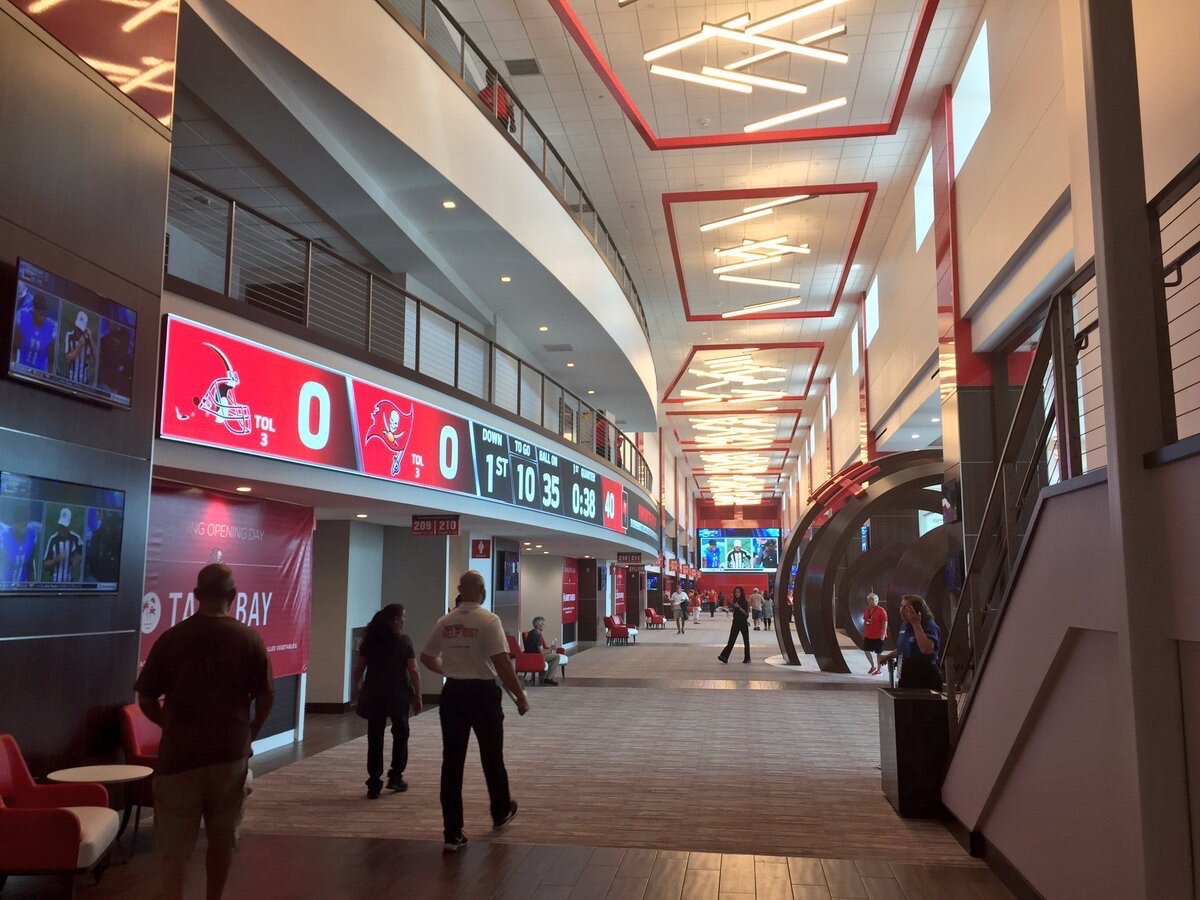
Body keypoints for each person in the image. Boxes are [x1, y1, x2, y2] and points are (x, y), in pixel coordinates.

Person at [134, 563, 274, 900]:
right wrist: (249, 732)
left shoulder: (172, 638)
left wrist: (170, 726)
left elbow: (146, 697)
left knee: (175, 846)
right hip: (229, 756)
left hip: (179, 758)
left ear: (196, 595)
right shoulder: (248, 638)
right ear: (233, 596)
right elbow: (267, 695)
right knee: (222, 839)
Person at [420, 570, 529, 852]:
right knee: (491, 756)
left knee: (452, 762)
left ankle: (452, 832)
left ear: (460, 589)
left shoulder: (445, 621)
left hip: (453, 694)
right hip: (482, 695)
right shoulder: (489, 620)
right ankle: (500, 810)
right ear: (481, 590)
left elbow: (426, 656)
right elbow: (502, 663)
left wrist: (449, 670)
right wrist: (520, 696)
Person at [352, 603, 422, 799]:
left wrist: (356, 688)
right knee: (401, 735)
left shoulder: (370, 641)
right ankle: (396, 776)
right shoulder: (404, 641)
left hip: (374, 694)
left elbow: (359, 668)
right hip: (398, 695)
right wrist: (418, 695)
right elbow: (413, 670)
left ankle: (374, 783)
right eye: (402, 617)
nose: (404, 621)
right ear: (395, 620)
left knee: (375, 738)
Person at [879, 594, 942, 689]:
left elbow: (927, 649)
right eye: (901, 606)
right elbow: (903, 647)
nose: (901, 610)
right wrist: (888, 656)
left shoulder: (927, 625)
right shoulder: (905, 625)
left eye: (906, 607)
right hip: (906, 670)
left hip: (923, 673)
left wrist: (916, 625)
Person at [11, 292, 57, 373]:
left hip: (39, 376)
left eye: (44, 309)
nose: (41, 312)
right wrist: (13, 368)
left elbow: (51, 360)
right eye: (39, 308)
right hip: (19, 370)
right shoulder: (22, 317)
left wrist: (47, 378)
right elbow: (13, 348)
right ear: (34, 309)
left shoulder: (52, 327)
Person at [42, 507, 83, 583]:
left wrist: (77, 559)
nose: (62, 529)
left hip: (70, 583)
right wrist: (56, 559)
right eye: (61, 526)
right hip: (54, 583)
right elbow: (45, 564)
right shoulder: (53, 539)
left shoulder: (76, 538)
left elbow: (82, 554)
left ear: (69, 526)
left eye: (64, 527)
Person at [718, 586, 752, 664]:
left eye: (738, 592)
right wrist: (728, 609)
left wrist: (739, 607)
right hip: (736, 622)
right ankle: (724, 656)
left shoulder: (745, 602)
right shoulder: (734, 600)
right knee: (731, 640)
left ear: (741, 593)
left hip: (743, 623)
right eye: (735, 592)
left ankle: (747, 658)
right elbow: (734, 610)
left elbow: (746, 614)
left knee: (746, 641)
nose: (736, 593)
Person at [523, 616, 561, 685]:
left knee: (551, 655)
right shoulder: (537, 635)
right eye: (543, 624)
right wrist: (551, 649)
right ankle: (548, 678)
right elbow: (541, 653)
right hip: (536, 657)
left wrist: (549, 650)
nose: (544, 626)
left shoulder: (532, 633)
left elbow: (540, 649)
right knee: (556, 657)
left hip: (531, 655)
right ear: (538, 625)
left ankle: (544, 676)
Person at [63, 309, 95, 384]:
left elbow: (96, 358)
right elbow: (67, 360)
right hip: (71, 381)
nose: (79, 331)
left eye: (81, 330)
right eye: (78, 328)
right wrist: (79, 347)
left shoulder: (88, 339)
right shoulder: (69, 336)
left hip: (84, 383)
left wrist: (91, 338)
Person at [861, 591, 888, 675]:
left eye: (872, 600)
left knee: (878, 653)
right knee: (866, 650)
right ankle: (873, 666)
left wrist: (883, 634)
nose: (871, 601)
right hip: (869, 634)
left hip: (878, 635)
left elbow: (885, 622)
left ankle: (879, 669)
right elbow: (865, 622)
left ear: (877, 601)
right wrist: (864, 633)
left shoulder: (881, 610)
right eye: (869, 600)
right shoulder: (866, 610)